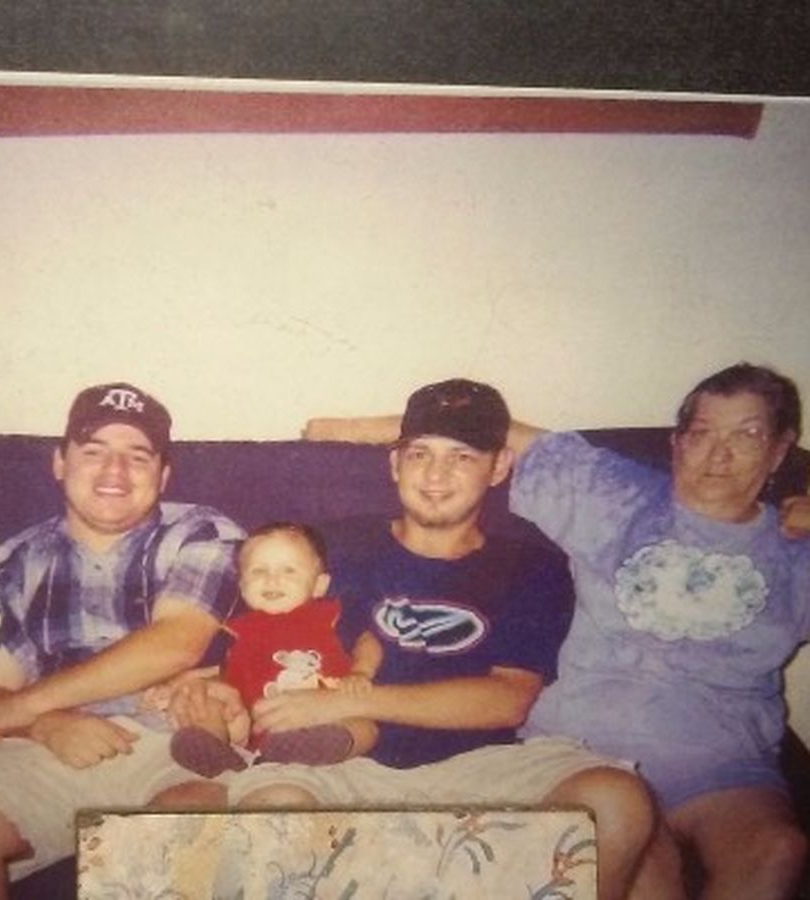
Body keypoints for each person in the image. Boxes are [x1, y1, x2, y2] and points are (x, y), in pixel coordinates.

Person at [303, 363, 810, 899]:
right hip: (586, 745)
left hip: (723, 767)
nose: (719, 454)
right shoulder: (610, 493)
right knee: (644, 869)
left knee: (778, 851)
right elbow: (485, 430)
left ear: (781, 450)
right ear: (677, 442)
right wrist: (346, 429)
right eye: (703, 433)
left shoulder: (796, 556)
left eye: (747, 435)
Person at [228, 378, 657, 900]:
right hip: (342, 761)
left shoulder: (530, 564)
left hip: (481, 769)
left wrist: (346, 699)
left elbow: (508, 699)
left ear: (498, 467)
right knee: (272, 805)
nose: (435, 474)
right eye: (420, 454)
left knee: (616, 799)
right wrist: (200, 686)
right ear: (395, 463)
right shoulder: (331, 544)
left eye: (462, 456)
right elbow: (245, 628)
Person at [0, 382, 246, 900]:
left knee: (185, 821)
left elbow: (175, 643)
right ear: (60, 462)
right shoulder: (14, 562)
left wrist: (29, 706)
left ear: (163, 475)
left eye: (138, 456)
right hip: (53, 747)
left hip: (178, 740)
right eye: (94, 452)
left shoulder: (201, 532)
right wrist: (46, 723)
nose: (115, 471)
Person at [156, 521, 380, 778]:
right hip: (251, 724)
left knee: (366, 727)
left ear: (319, 585)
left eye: (289, 570)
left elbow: (367, 641)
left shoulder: (332, 615)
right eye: (259, 571)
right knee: (207, 700)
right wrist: (173, 683)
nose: (272, 579)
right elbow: (208, 669)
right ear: (242, 586)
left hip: (326, 719)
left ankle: (310, 749)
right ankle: (211, 748)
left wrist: (361, 672)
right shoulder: (233, 629)